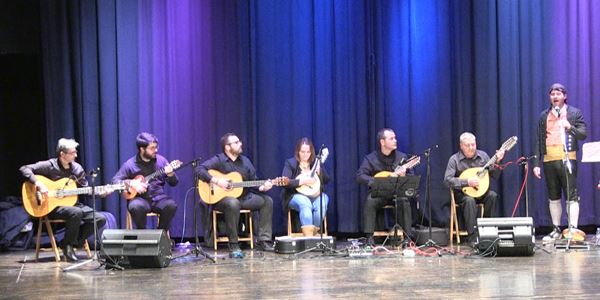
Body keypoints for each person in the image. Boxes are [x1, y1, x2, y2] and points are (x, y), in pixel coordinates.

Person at [19, 138, 107, 262]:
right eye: (72, 153)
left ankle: (70, 242)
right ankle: (68, 246)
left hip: (73, 204)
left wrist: (100, 194)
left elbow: (85, 189)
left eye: (75, 152)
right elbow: (24, 169)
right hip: (51, 206)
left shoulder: (77, 169)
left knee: (99, 218)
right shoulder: (50, 166)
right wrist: (38, 183)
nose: (76, 155)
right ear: (62, 154)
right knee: (76, 212)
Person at [196, 133, 274, 257]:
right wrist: (217, 181)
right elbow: (199, 170)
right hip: (222, 200)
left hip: (244, 198)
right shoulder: (219, 159)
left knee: (267, 201)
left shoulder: (245, 161)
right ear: (227, 147)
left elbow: (254, 181)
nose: (240, 144)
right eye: (236, 142)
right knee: (233, 203)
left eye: (239, 141)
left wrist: (263, 186)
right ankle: (234, 245)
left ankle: (264, 240)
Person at [533, 83, 587, 241]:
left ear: (565, 96)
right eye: (552, 94)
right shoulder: (544, 115)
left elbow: (583, 134)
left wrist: (570, 127)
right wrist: (536, 164)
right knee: (553, 196)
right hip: (549, 159)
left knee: (571, 195)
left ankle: (573, 230)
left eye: (558, 94)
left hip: (567, 158)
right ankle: (556, 229)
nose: (555, 96)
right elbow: (538, 140)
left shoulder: (574, 113)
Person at [356, 128, 416, 246]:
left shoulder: (402, 157)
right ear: (382, 142)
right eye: (391, 138)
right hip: (380, 193)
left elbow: (411, 177)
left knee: (404, 201)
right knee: (370, 201)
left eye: (395, 138)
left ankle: (408, 238)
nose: (395, 140)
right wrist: (377, 181)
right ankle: (369, 238)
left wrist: (403, 176)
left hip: (397, 194)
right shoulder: (371, 158)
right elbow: (360, 176)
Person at [444, 132, 505, 244]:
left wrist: (498, 161)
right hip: (463, 194)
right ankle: (472, 237)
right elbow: (447, 180)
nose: (471, 148)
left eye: (473, 144)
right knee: (469, 200)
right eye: (468, 145)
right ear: (461, 146)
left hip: (481, 192)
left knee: (492, 196)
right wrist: (467, 182)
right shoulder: (454, 160)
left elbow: (495, 175)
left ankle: (487, 232)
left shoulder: (483, 156)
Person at [112, 132, 179, 232]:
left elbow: (174, 183)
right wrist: (131, 183)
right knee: (136, 207)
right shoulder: (130, 164)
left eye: (156, 147)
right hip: (140, 199)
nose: (155, 150)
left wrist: (170, 174)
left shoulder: (161, 161)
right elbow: (115, 181)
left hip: (159, 198)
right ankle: (143, 236)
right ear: (142, 149)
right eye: (152, 148)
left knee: (171, 205)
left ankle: (160, 235)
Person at [281, 138, 331, 236]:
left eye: (308, 152)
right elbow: (285, 182)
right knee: (305, 202)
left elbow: (326, 180)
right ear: (298, 152)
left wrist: (320, 171)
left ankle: (313, 232)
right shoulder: (291, 163)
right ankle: (309, 237)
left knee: (324, 201)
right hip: (294, 195)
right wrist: (302, 181)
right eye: (302, 152)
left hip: (315, 195)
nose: (305, 155)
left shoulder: (315, 162)